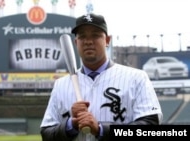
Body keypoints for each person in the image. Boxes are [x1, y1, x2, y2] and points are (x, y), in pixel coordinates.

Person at [40, 13, 163, 141]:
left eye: (95, 35)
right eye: (82, 36)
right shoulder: (61, 85)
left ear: (107, 40)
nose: (88, 41)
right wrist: (71, 125)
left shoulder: (137, 78)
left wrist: (101, 129)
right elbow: (46, 133)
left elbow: (151, 126)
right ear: (76, 43)